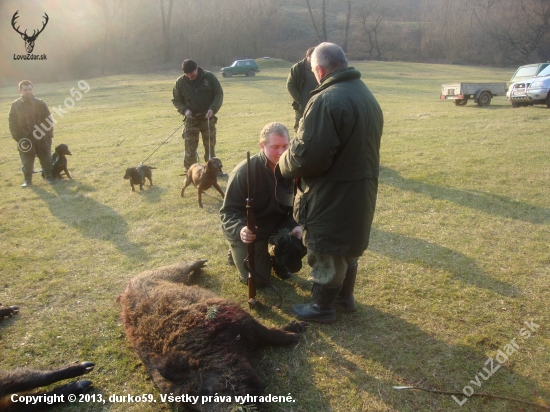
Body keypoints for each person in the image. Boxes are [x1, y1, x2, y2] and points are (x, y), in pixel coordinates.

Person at [279, 42, 384, 324]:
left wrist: (283, 164)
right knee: (346, 246)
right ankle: (344, 298)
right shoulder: (365, 94)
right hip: (360, 189)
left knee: (326, 248)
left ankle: (322, 307)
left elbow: (309, 157)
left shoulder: (325, 100)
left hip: (332, 193)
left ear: (320, 70)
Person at [220, 122, 304, 287]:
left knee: (310, 232)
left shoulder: (294, 169)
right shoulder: (244, 172)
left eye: (285, 146)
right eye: (275, 147)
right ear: (262, 146)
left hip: (278, 224)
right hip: (250, 231)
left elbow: (301, 203)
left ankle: (276, 257)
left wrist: (297, 224)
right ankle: (236, 248)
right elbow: (228, 211)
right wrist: (240, 230)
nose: (281, 152)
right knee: (258, 282)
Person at [172, 59, 225, 175]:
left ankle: (213, 170)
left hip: (208, 119)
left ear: (197, 68)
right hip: (191, 120)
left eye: (191, 73)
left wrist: (213, 109)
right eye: (187, 74)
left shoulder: (209, 77)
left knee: (210, 147)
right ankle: (191, 172)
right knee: (190, 148)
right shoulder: (180, 82)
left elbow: (218, 94)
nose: (189, 76)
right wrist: (185, 110)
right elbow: (176, 100)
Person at [8, 80, 54, 187]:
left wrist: (48, 136)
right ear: (20, 91)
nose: (28, 92)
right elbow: (12, 122)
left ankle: (49, 177)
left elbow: (49, 121)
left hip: (42, 137)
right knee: (27, 160)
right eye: (25, 90)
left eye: (30, 89)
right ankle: (27, 180)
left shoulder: (41, 104)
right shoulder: (15, 105)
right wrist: (17, 137)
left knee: (46, 157)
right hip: (24, 138)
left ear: (32, 89)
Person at [286, 47, 317, 133]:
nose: (315, 60)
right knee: (300, 131)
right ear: (307, 56)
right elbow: (290, 85)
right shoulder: (297, 68)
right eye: (312, 57)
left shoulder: (322, 67)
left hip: (319, 105)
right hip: (302, 107)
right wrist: (301, 100)